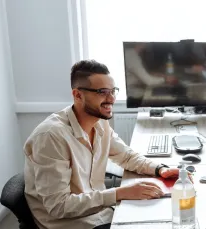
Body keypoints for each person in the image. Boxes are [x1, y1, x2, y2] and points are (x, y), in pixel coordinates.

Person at [23, 60, 180, 229]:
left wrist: (160, 169)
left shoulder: (99, 123)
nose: (111, 98)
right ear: (77, 95)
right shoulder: (51, 136)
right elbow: (58, 206)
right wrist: (120, 193)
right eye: (102, 92)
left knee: (163, 213)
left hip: (100, 212)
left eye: (113, 91)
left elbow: (126, 156)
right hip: (70, 223)